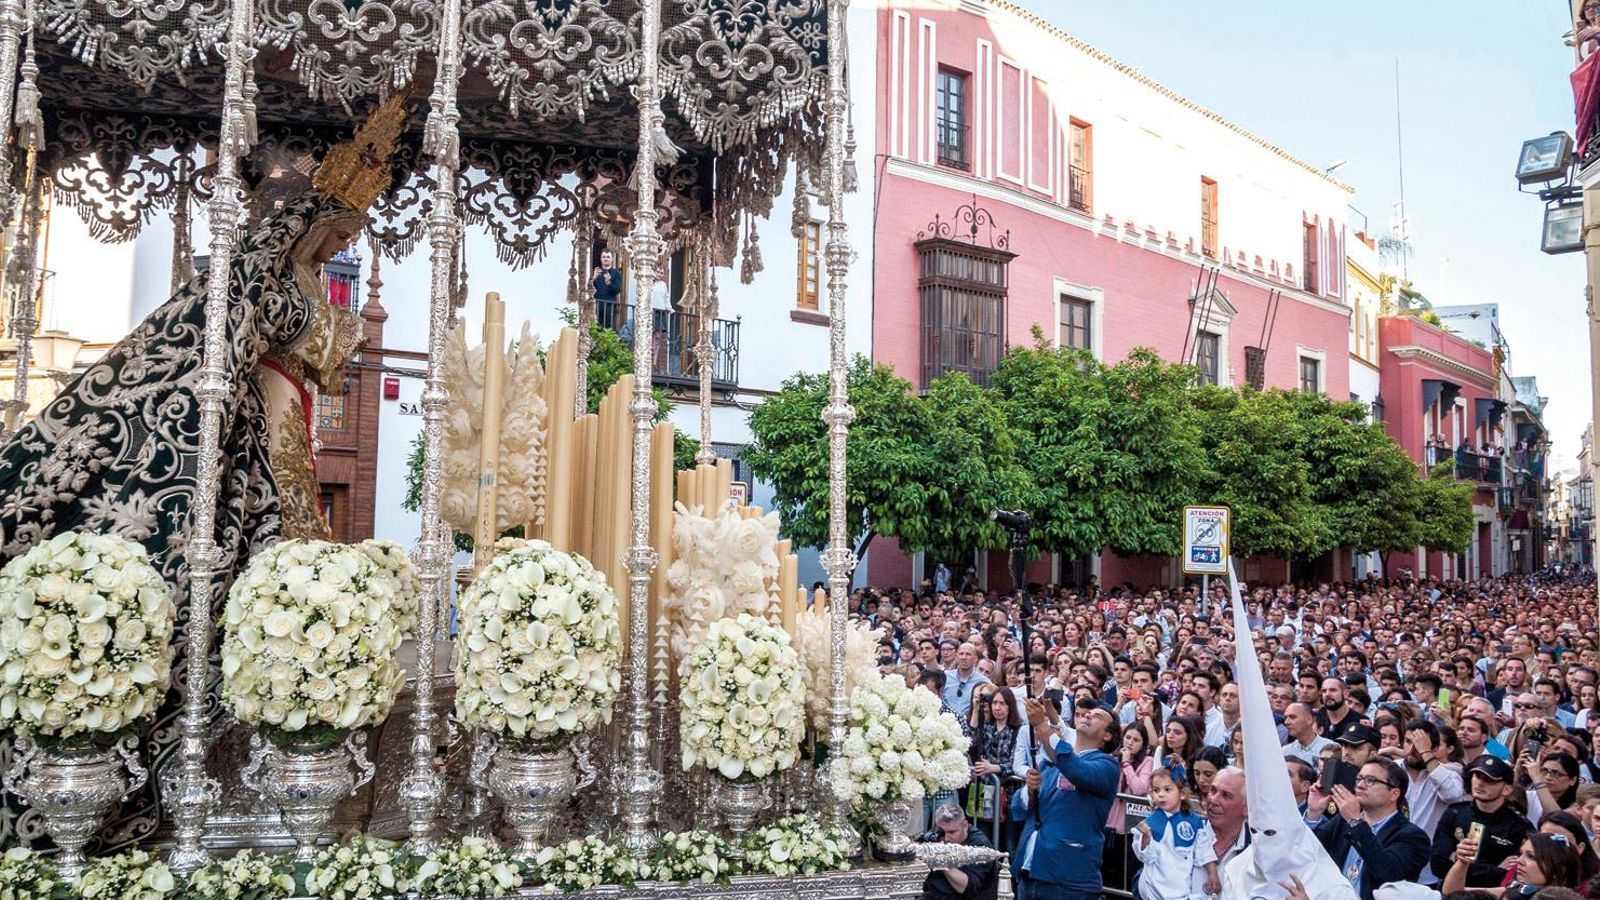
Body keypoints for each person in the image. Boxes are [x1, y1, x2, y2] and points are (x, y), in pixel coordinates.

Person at [1012, 698, 1122, 900]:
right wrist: (1028, 791)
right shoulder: (1052, 761)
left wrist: (1042, 726)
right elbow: (1018, 810)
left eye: (1097, 716)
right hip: (1031, 868)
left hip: (1069, 878)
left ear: (1107, 735)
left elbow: (1077, 770)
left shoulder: (1108, 766)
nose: (1088, 714)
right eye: (1087, 713)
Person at [1304, 758, 1432, 900]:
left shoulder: (1412, 836)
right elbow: (1309, 854)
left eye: (1371, 780)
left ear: (1394, 794)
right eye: (1359, 779)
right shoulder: (1343, 820)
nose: (1360, 785)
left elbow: (1390, 875)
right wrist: (1313, 813)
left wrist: (1355, 822)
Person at [1431, 756, 1536, 887]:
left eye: (1489, 780)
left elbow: (1515, 877)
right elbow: (1438, 864)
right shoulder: (1455, 813)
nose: (1480, 783)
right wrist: (1495, 869)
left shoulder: (1520, 826)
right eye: (1477, 776)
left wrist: (1456, 860)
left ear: (1506, 789)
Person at [1133, 768, 1221, 900]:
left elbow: (1204, 849)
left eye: (1167, 790)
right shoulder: (1151, 822)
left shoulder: (1193, 822)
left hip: (1179, 886)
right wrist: (1146, 838)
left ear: (1182, 793)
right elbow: (1146, 857)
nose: (1161, 794)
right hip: (1153, 887)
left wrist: (1212, 873)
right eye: (1156, 790)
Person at [1404, 720, 1467, 883]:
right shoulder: (1393, 769)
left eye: (1418, 745)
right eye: (1408, 742)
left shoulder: (1447, 773)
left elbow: (1453, 795)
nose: (1411, 750)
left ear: (1435, 749)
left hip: (1427, 872)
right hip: (1393, 859)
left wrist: (1426, 754)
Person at [1444, 833, 1581, 898]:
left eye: (1531, 857)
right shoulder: (1516, 890)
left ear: (1559, 869)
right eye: (1521, 854)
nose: (1519, 861)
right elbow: (1454, 894)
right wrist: (1462, 862)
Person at [920, 804, 999, 900]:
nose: (946, 838)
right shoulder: (937, 834)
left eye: (952, 832)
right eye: (942, 831)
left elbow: (966, 887)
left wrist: (940, 860)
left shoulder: (979, 844)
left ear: (965, 826)